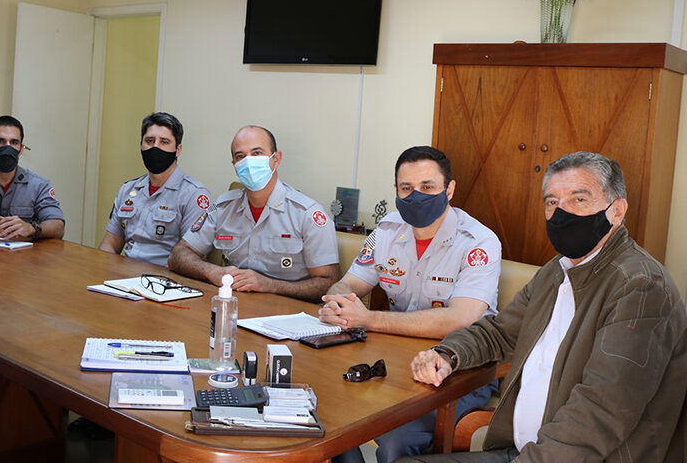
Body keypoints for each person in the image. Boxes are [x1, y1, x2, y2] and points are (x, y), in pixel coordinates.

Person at [399, 152, 687, 463]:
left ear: (617, 210)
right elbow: (499, 332)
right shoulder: (557, 270)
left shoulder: (641, 286)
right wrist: (448, 354)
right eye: (552, 202)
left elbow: (602, 411)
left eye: (578, 199)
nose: (561, 213)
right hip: (522, 450)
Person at [320, 146, 502, 463]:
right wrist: (338, 300)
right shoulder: (387, 230)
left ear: (450, 189)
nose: (416, 196)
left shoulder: (478, 242)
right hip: (397, 358)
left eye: (427, 187)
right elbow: (349, 282)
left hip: (462, 366)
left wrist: (368, 319)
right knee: (330, 416)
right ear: (396, 191)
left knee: (395, 442)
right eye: (407, 188)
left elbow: (461, 318)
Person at [168, 125, 339, 302]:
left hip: (289, 314)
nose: (248, 162)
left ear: (276, 159)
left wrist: (270, 285)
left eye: (257, 153)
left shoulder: (307, 213)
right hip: (236, 307)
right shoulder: (223, 207)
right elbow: (179, 255)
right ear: (234, 165)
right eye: (240, 156)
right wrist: (211, 271)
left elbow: (329, 283)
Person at [99, 112, 210, 266]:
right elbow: (110, 245)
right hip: (122, 278)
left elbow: (193, 259)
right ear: (141, 145)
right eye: (149, 141)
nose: (155, 147)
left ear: (178, 150)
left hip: (163, 283)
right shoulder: (128, 190)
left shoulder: (193, 195)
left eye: (164, 142)